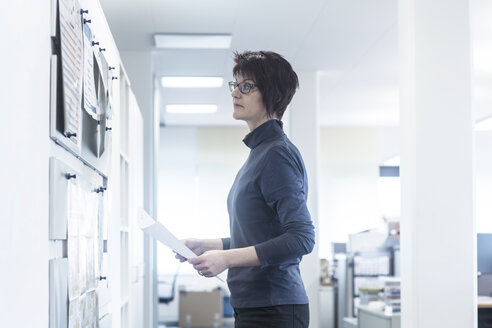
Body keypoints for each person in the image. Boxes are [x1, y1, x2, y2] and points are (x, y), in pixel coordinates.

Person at [176, 50, 315, 328]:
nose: (235, 93)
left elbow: (301, 238)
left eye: (246, 86)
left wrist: (225, 258)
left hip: (273, 309)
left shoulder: (277, 154)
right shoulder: (260, 153)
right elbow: (261, 234)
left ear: (272, 95)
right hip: (255, 305)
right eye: (235, 85)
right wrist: (209, 246)